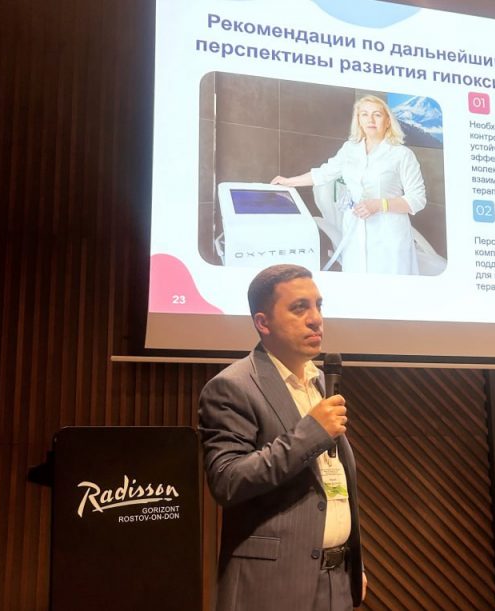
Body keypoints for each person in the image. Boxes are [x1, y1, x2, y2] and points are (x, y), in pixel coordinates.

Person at [199, 264, 366, 610]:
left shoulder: (319, 382)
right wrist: (311, 433)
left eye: (318, 305)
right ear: (263, 322)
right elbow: (227, 480)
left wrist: (349, 562)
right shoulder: (233, 387)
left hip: (336, 580)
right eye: (299, 308)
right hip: (272, 586)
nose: (316, 319)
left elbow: (330, 482)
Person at [272, 94, 426, 275]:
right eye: (364, 114)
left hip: (389, 235)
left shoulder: (402, 154)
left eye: (377, 115)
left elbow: (417, 199)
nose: (370, 120)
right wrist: (289, 182)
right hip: (354, 230)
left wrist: (379, 205)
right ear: (358, 120)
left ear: (387, 121)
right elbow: (323, 173)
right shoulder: (350, 149)